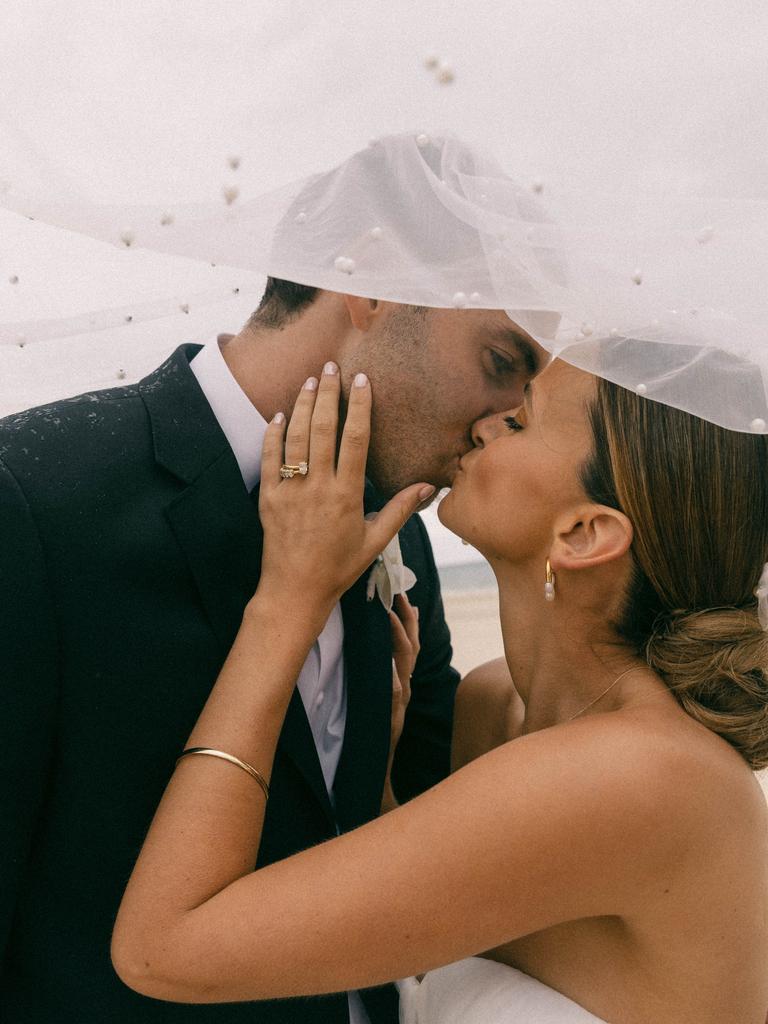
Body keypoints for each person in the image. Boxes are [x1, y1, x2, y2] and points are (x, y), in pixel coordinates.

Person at [112, 356, 768, 1023]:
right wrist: (384, 774)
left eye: (519, 419)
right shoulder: (492, 707)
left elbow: (162, 950)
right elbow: (438, 924)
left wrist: (287, 602)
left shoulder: (642, 776)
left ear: (584, 534)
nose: (485, 424)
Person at [0, 274, 546, 1024]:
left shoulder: (396, 526)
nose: (508, 417)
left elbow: (424, 821)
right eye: (499, 362)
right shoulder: (31, 498)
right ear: (373, 284)